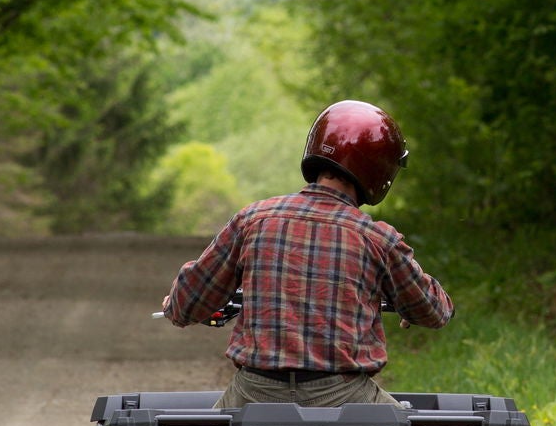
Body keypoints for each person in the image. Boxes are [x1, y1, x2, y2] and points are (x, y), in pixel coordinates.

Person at [162, 100, 453, 410]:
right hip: (346, 398)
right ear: (379, 167)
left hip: (253, 393)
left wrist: (175, 304)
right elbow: (435, 312)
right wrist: (403, 302)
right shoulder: (378, 239)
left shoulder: (253, 219)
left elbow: (187, 305)